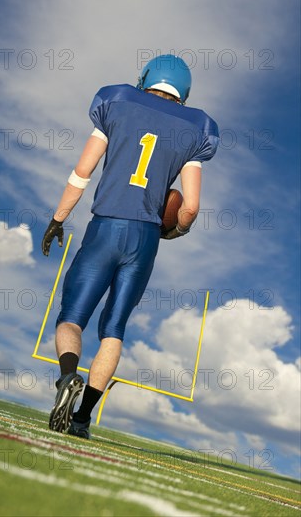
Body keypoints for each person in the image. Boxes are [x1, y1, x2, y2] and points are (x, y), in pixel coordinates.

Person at [42, 54, 219, 439]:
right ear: (184, 93)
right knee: (114, 331)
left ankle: (68, 377)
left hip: (105, 225)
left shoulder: (116, 101)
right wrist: (174, 232)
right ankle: (82, 419)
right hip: (145, 237)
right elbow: (189, 207)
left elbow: (82, 173)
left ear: (146, 79)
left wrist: (57, 219)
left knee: (71, 318)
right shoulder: (198, 128)